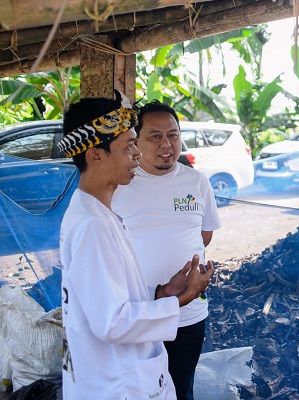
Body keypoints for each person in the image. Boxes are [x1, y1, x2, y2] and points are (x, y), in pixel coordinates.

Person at [59, 93, 215, 399]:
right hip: (116, 383)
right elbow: (112, 323)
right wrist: (180, 300)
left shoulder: (99, 214)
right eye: (129, 145)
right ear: (95, 155)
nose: (136, 155)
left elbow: (108, 298)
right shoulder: (92, 225)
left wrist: (160, 294)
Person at [113, 101, 221, 400]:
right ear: (136, 140)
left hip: (188, 315)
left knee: (181, 388)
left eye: (173, 135)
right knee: (138, 391)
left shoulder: (196, 181)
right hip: (139, 313)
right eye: (155, 136)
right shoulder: (121, 185)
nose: (167, 145)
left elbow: (205, 234)